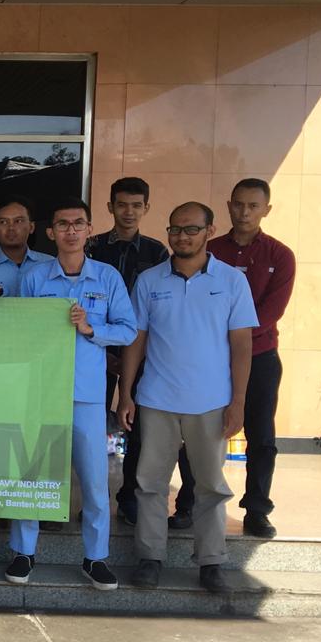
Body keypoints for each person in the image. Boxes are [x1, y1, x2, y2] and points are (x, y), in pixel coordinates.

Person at [118, 202, 258, 594]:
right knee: (150, 483)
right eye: (175, 229)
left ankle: (211, 562)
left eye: (191, 229)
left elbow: (242, 345)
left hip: (211, 401)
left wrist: (238, 401)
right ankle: (150, 558)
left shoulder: (232, 281)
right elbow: (136, 340)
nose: (182, 236)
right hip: (156, 399)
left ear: (209, 231)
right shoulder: (149, 280)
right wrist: (126, 393)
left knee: (211, 486)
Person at [0, 199, 136, 591]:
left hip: (87, 395)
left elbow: (128, 330)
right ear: (50, 232)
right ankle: (23, 552)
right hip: (41, 392)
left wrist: (92, 329)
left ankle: (95, 557)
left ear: (90, 229)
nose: (71, 231)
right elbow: (21, 332)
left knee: (94, 481)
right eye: (63, 224)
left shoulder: (107, 277)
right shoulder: (35, 278)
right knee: (31, 474)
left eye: (78, 224)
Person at [86, 176, 191, 528]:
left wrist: (134, 355)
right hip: (94, 351)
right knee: (91, 428)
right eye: (121, 205)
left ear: (146, 208)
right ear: (110, 207)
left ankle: (128, 497)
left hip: (144, 354)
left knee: (139, 430)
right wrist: (105, 350)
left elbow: (159, 309)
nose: (128, 212)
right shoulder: (92, 247)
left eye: (136, 205)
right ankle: (94, 499)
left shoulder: (157, 252)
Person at [203, 178, 295, 539]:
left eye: (253, 206)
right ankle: (189, 502)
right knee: (200, 431)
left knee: (261, 437)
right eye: (238, 204)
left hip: (260, 357)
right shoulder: (209, 250)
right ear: (228, 206)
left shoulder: (280, 255)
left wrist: (233, 336)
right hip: (211, 358)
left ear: (266, 210)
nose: (244, 212)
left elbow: (271, 311)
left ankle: (257, 510)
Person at [0, 195, 55, 297]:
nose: (11, 228)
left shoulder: (50, 264)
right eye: (3, 222)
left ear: (31, 227)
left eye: (18, 221)